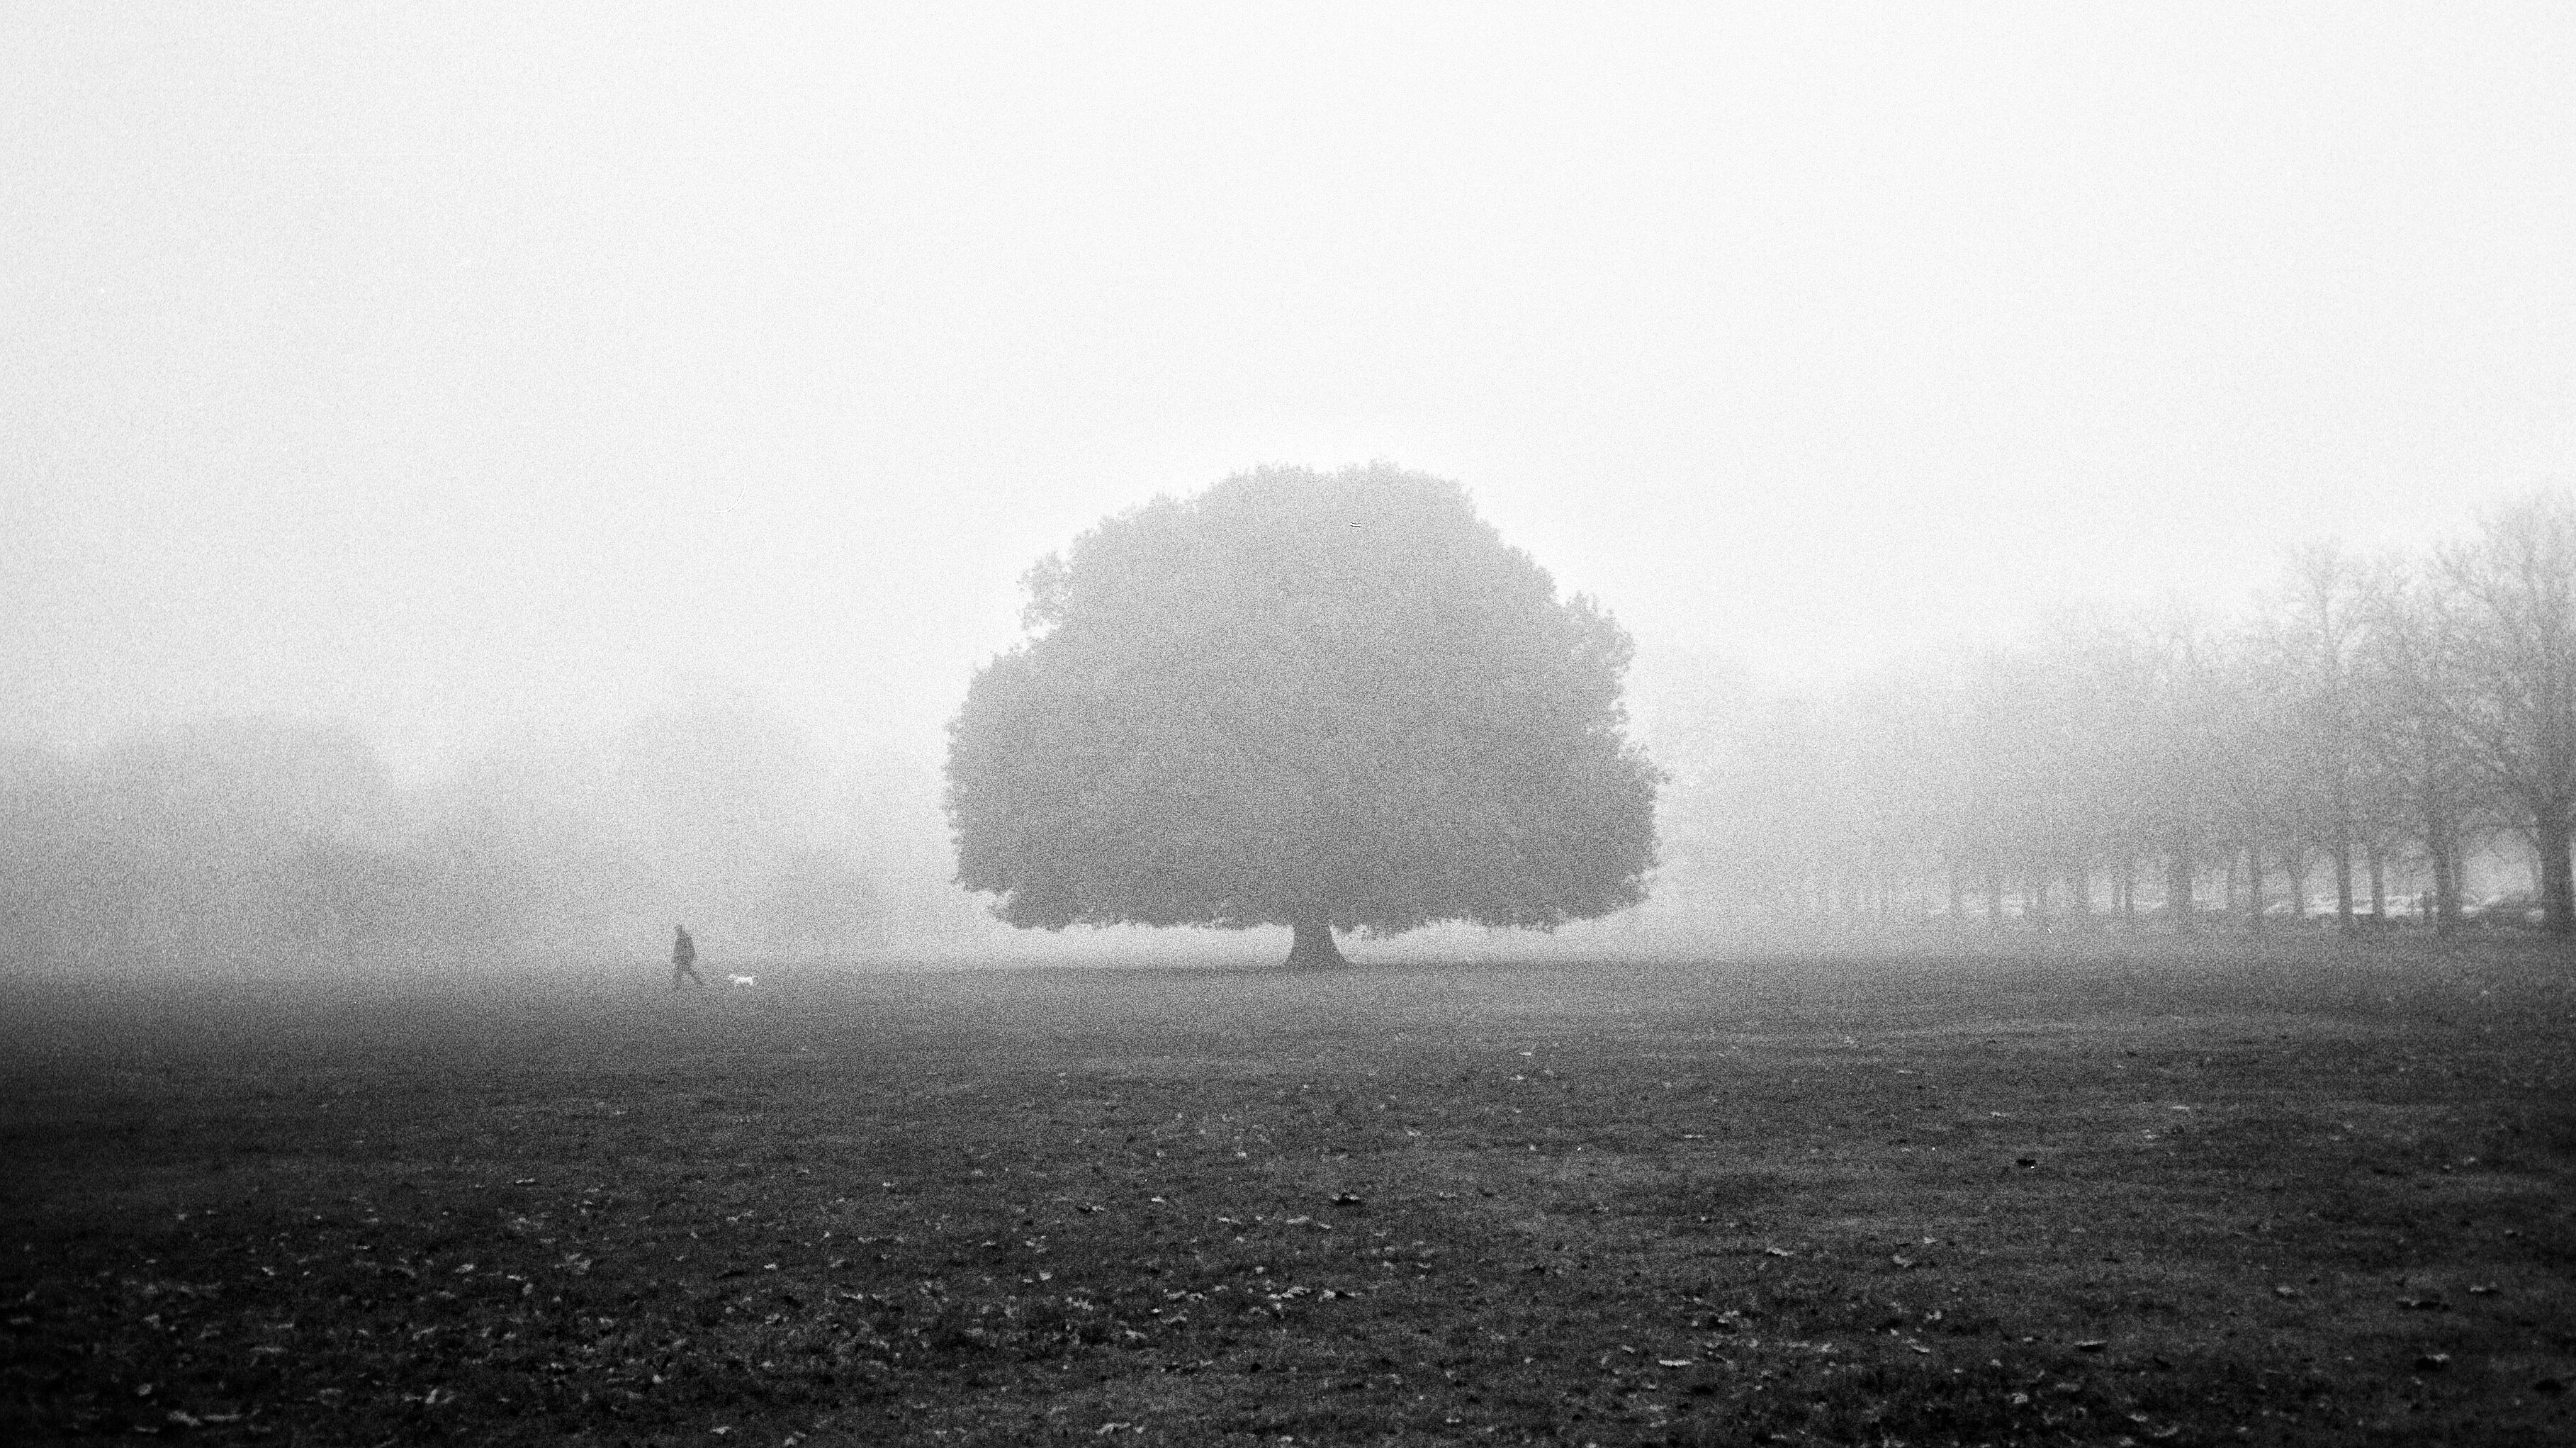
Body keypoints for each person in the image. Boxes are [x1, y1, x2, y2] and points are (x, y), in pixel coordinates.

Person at [670, 924, 704, 989]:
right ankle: (699, 982)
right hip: (683, 958)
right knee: (685, 971)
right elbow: (677, 949)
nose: (676, 932)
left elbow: (688, 948)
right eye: (676, 930)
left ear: (680, 930)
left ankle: (677, 986)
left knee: (681, 971)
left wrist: (675, 956)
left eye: (677, 930)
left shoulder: (683, 938)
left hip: (683, 958)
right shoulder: (683, 937)